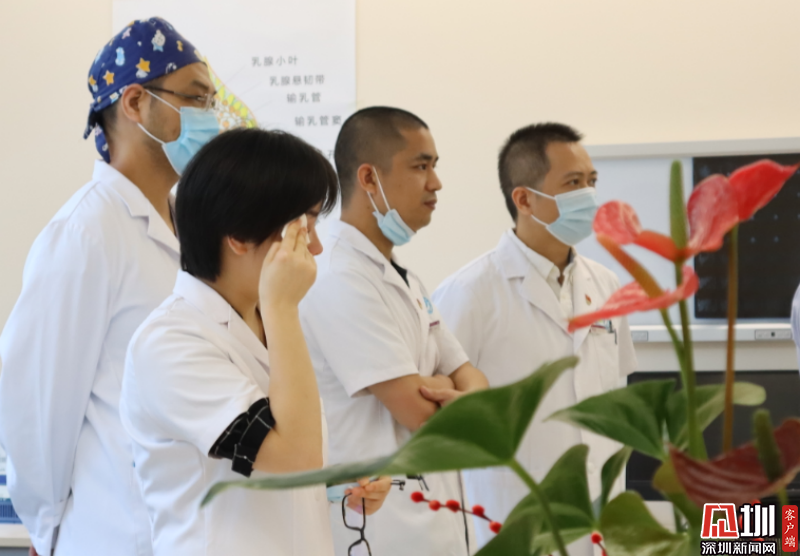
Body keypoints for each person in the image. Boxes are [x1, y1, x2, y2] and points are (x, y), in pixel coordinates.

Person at [0, 18, 221, 556]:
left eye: (212, 102)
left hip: (192, 528)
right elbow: (36, 403)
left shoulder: (191, 225)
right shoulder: (85, 232)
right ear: (135, 102)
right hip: (115, 532)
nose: (211, 118)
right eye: (196, 98)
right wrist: (46, 526)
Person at [120, 128, 391, 556]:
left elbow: (286, 457)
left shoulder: (267, 320)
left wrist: (338, 480)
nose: (316, 247)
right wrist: (282, 306)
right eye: (304, 227)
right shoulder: (170, 343)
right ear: (239, 235)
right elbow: (294, 456)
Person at [433, 123, 637, 552]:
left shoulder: (606, 284)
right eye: (573, 183)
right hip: (512, 521)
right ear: (524, 200)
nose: (589, 196)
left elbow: (617, 391)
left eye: (592, 181)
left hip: (602, 523)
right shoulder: (468, 293)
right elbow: (439, 419)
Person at [299, 106, 489, 556]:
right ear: (369, 178)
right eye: (421, 166)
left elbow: (476, 385)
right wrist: (443, 386)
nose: (435, 183)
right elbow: (418, 412)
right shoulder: (337, 275)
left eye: (435, 166)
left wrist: (437, 385)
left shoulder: (404, 278)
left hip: (432, 523)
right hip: (377, 530)